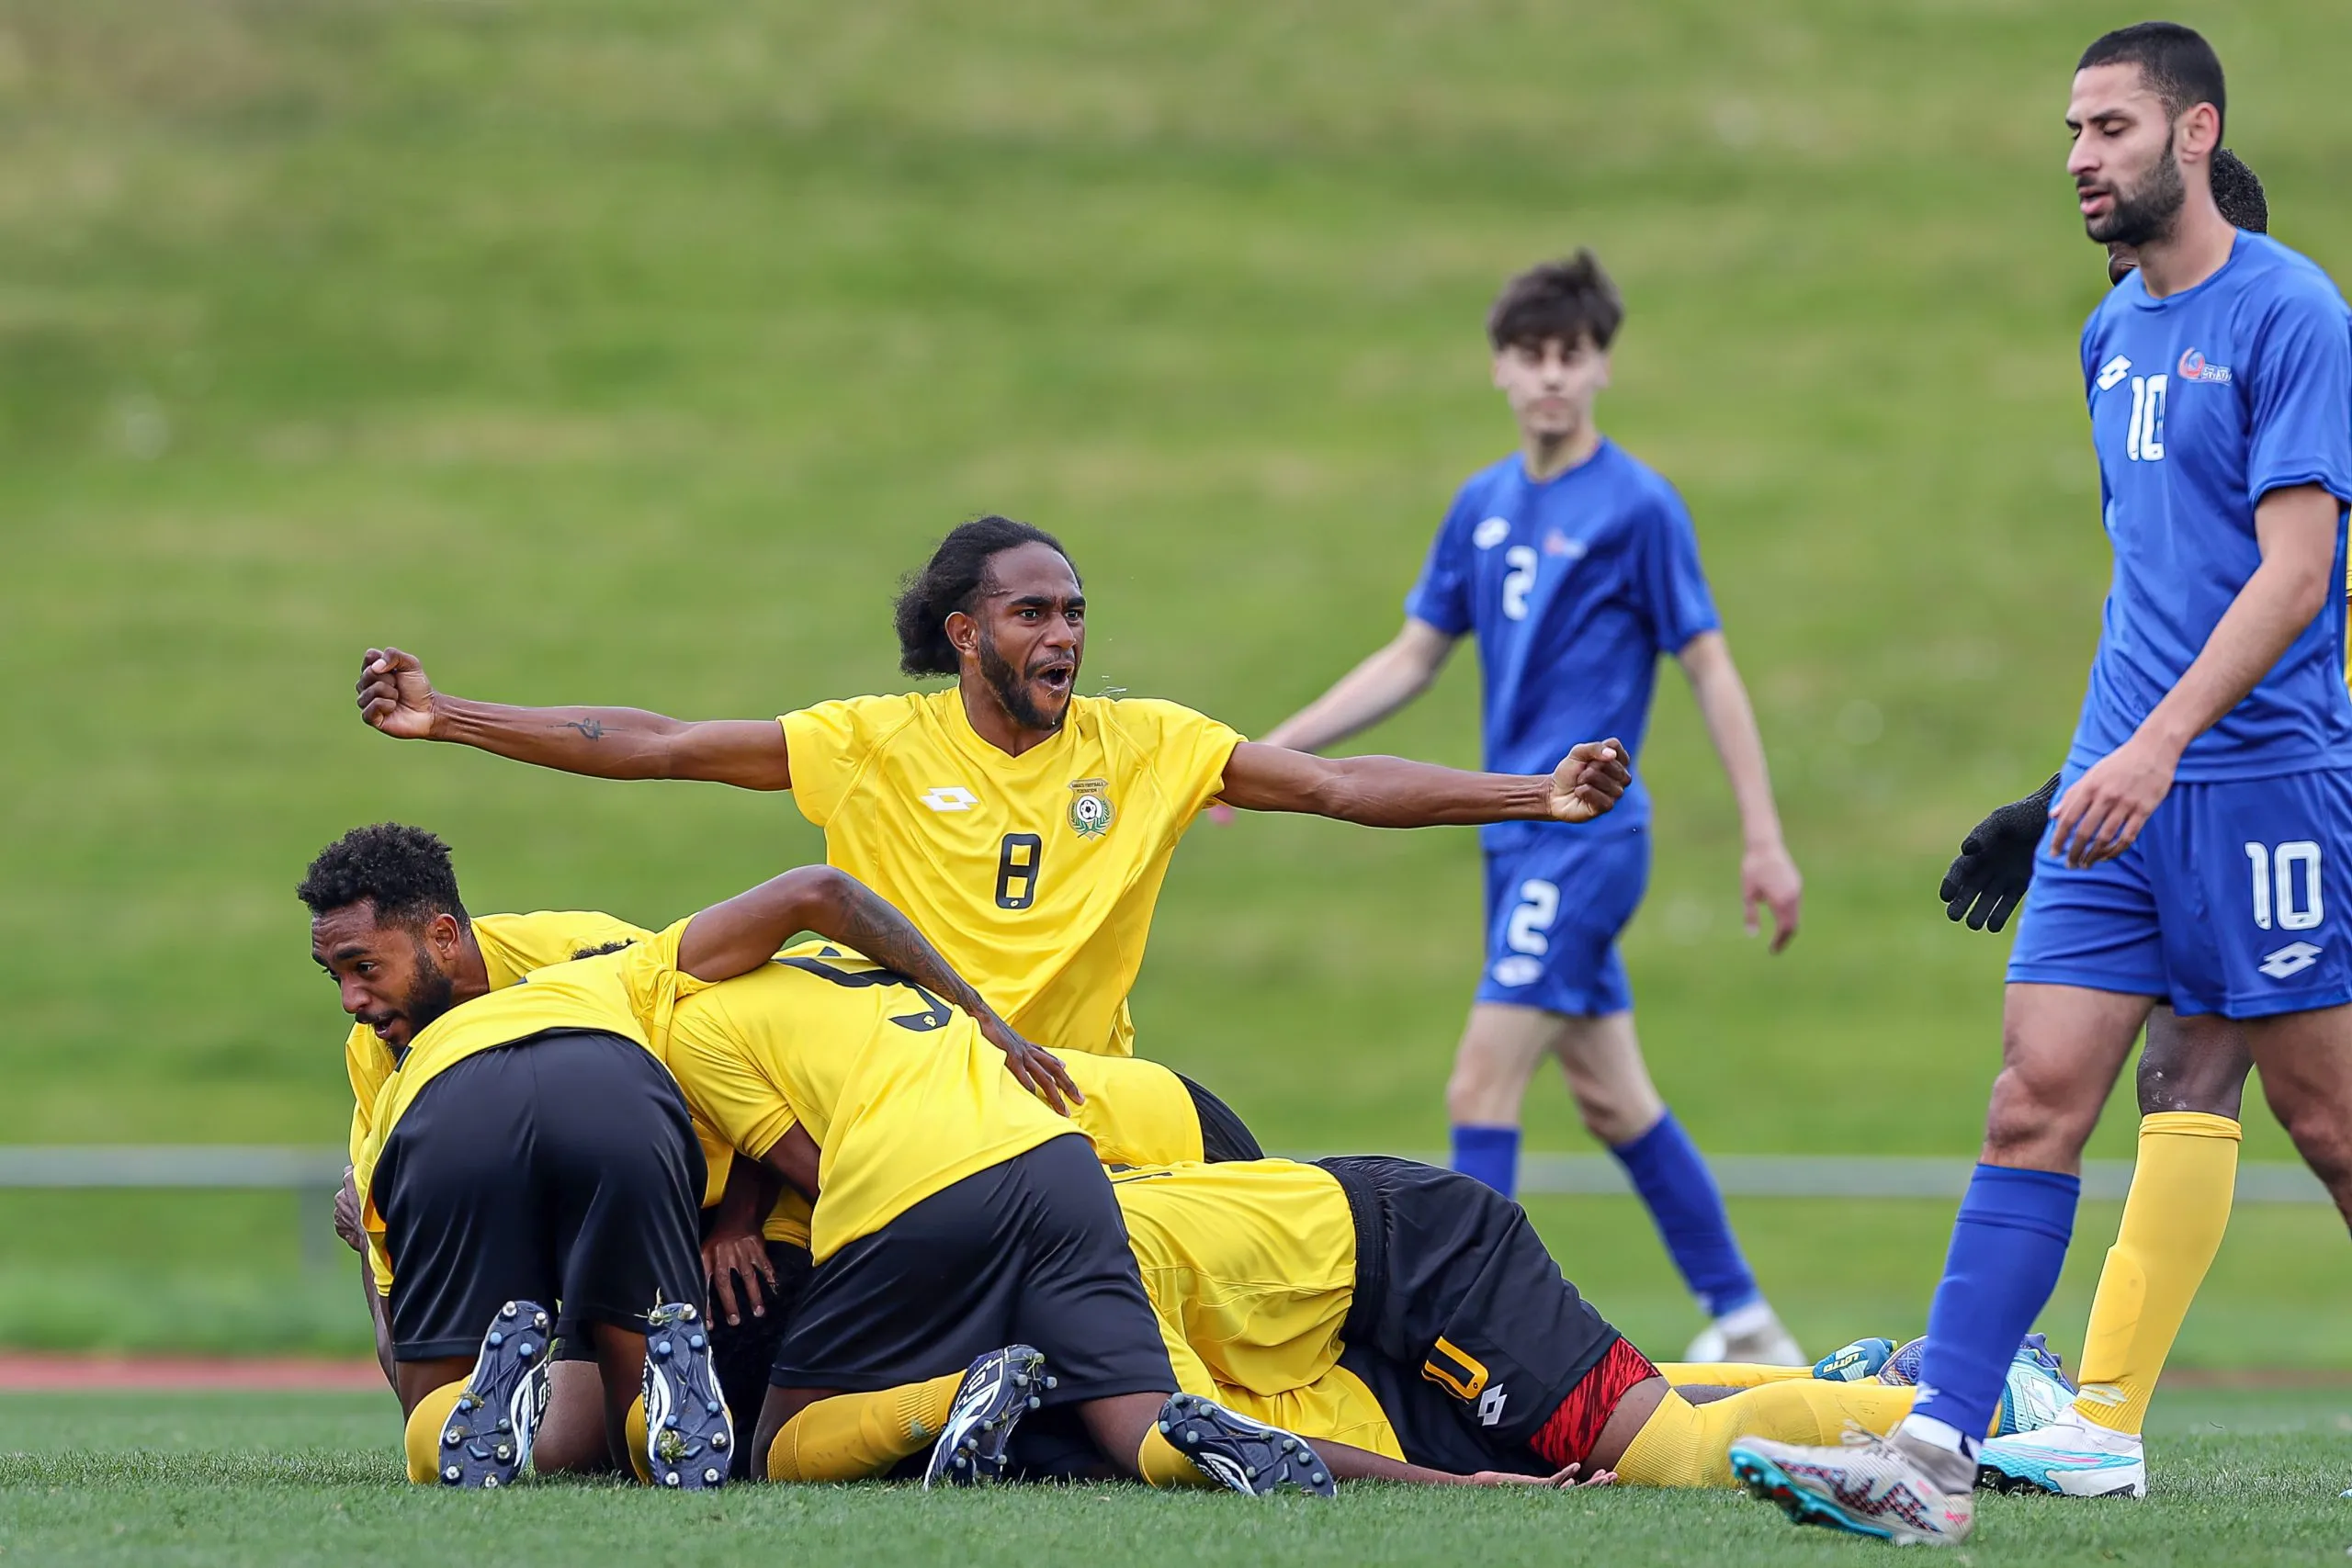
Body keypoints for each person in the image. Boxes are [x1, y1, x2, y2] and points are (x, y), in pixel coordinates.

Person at [1733, 25, 2352, 1545]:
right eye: (2072, 129)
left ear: (2196, 133)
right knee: (2031, 1103)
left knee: (2330, 1126)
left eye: (2112, 126)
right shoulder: (2108, 334)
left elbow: (2292, 576)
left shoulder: (2293, 312)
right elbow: (2150, 584)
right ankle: (1933, 1455)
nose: (2081, 154)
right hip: (2119, 803)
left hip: (2262, 789)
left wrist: (2157, 750)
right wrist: (2074, 777)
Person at [350, 515, 1632, 1071]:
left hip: (1080, 1095)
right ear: (967, 633)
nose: (1063, 631)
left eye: (1075, 609)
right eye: (1033, 610)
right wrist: (452, 714)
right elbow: (661, 742)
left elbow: (1345, 781)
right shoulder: (870, 739)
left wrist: (1537, 793)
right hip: (903, 1089)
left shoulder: (1149, 742)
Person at [1249, 252, 1804, 1363]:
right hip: (1510, 835)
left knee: (1480, 1075)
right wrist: (1273, 751)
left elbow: (1711, 670)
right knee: (1612, 1098)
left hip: (1584, 838)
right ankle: (1747, 1322)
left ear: (1601, 367)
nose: (1552, 377)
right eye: (1531, 357)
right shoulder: (1482, 506)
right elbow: (1413, 656)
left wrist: (1763, 838)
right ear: (1499, 369)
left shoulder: (1637, 507)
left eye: (1573, 356)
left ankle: (1471, 1340)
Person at [313, 822, 1078, 1488]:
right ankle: (664, 1402)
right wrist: (982, 1021)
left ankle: (473, 1405)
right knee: (585, 1444)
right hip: (623, 1119)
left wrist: (739, 1213)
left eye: (364, 967)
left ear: (445, 935)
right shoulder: (597, 978)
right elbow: (801, 907)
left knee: (444, 1404)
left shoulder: (564, 950)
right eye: (338, 976)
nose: (351, 998)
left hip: (485, 1130)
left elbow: (385, 1254)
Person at [1935, 145, 2278, 1502]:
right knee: (2171, 1076)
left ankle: (2101, 1416)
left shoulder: (2291, 364)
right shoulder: (2127, 373)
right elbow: (2160, 627)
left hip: (2288, 784)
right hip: (2192, 780)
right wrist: (2060, 793)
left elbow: (2291, 616)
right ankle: (2089, 1416)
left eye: (2141, 263)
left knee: (2236, 1080)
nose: (2124, 289)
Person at [742, 1154, 2067, 1490]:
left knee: (1654, 1455)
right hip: (1346, 1331)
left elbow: (1183, 1432)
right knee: (1604, 1413)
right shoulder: (1018, 1199)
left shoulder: (1053, 1263)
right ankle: (1889, 1375)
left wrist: (1458, 1489)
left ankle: (1989, 1418)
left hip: (1416, 1253)